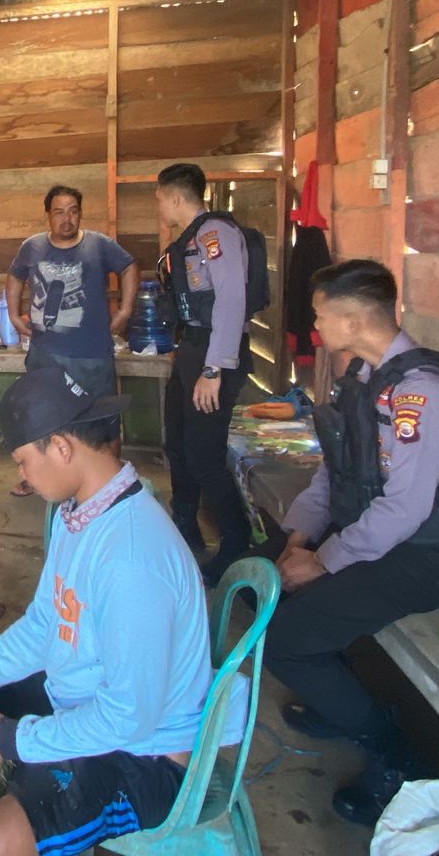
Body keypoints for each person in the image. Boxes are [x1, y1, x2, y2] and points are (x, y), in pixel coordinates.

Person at [0, 367, 239, 856]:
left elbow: (128, 718)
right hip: (82, 694)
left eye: (23, 461)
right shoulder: (83, 514)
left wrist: (14, 739)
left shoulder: (130, 559)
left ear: (60, 447)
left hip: (143, 754)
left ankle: (17, 803)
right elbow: (44, 624)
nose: (21, 476)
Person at [266, 260, 439, 826]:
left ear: (352, 320)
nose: (315, 326)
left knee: (285, 641)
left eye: (319, 315)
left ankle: (395, 751)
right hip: (382, 538)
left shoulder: (423, 394)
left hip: (429, 555)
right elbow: (334, 474)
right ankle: (341, 703)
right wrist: (298, 540)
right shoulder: (367, 380)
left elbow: (406, 509)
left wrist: (323, 560)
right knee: (272, 582)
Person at [155, 162, 254, 585]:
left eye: (160, 199)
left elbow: (231, 301)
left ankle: (236, 543)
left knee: (204, 455)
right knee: (177, 442)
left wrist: (214, 368)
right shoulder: (188, 239)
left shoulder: (216, 234)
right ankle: (184, 523)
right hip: (193, 348)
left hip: (215, 355)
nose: (160, 207)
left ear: (176, 197)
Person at [6, 183, 139, 495]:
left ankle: (108, 487)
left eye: (73, 211)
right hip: (44, 354)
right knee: (41, 419)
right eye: (59, 212)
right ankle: (37, 477)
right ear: (47, 216)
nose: (66, 219)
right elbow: (15, 275)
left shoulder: (99, 245)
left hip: (91, 354)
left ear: (80, 214)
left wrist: (125, 310)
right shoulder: (32, 247)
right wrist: (13, 314)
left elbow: (130, 267)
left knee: (104, 421)